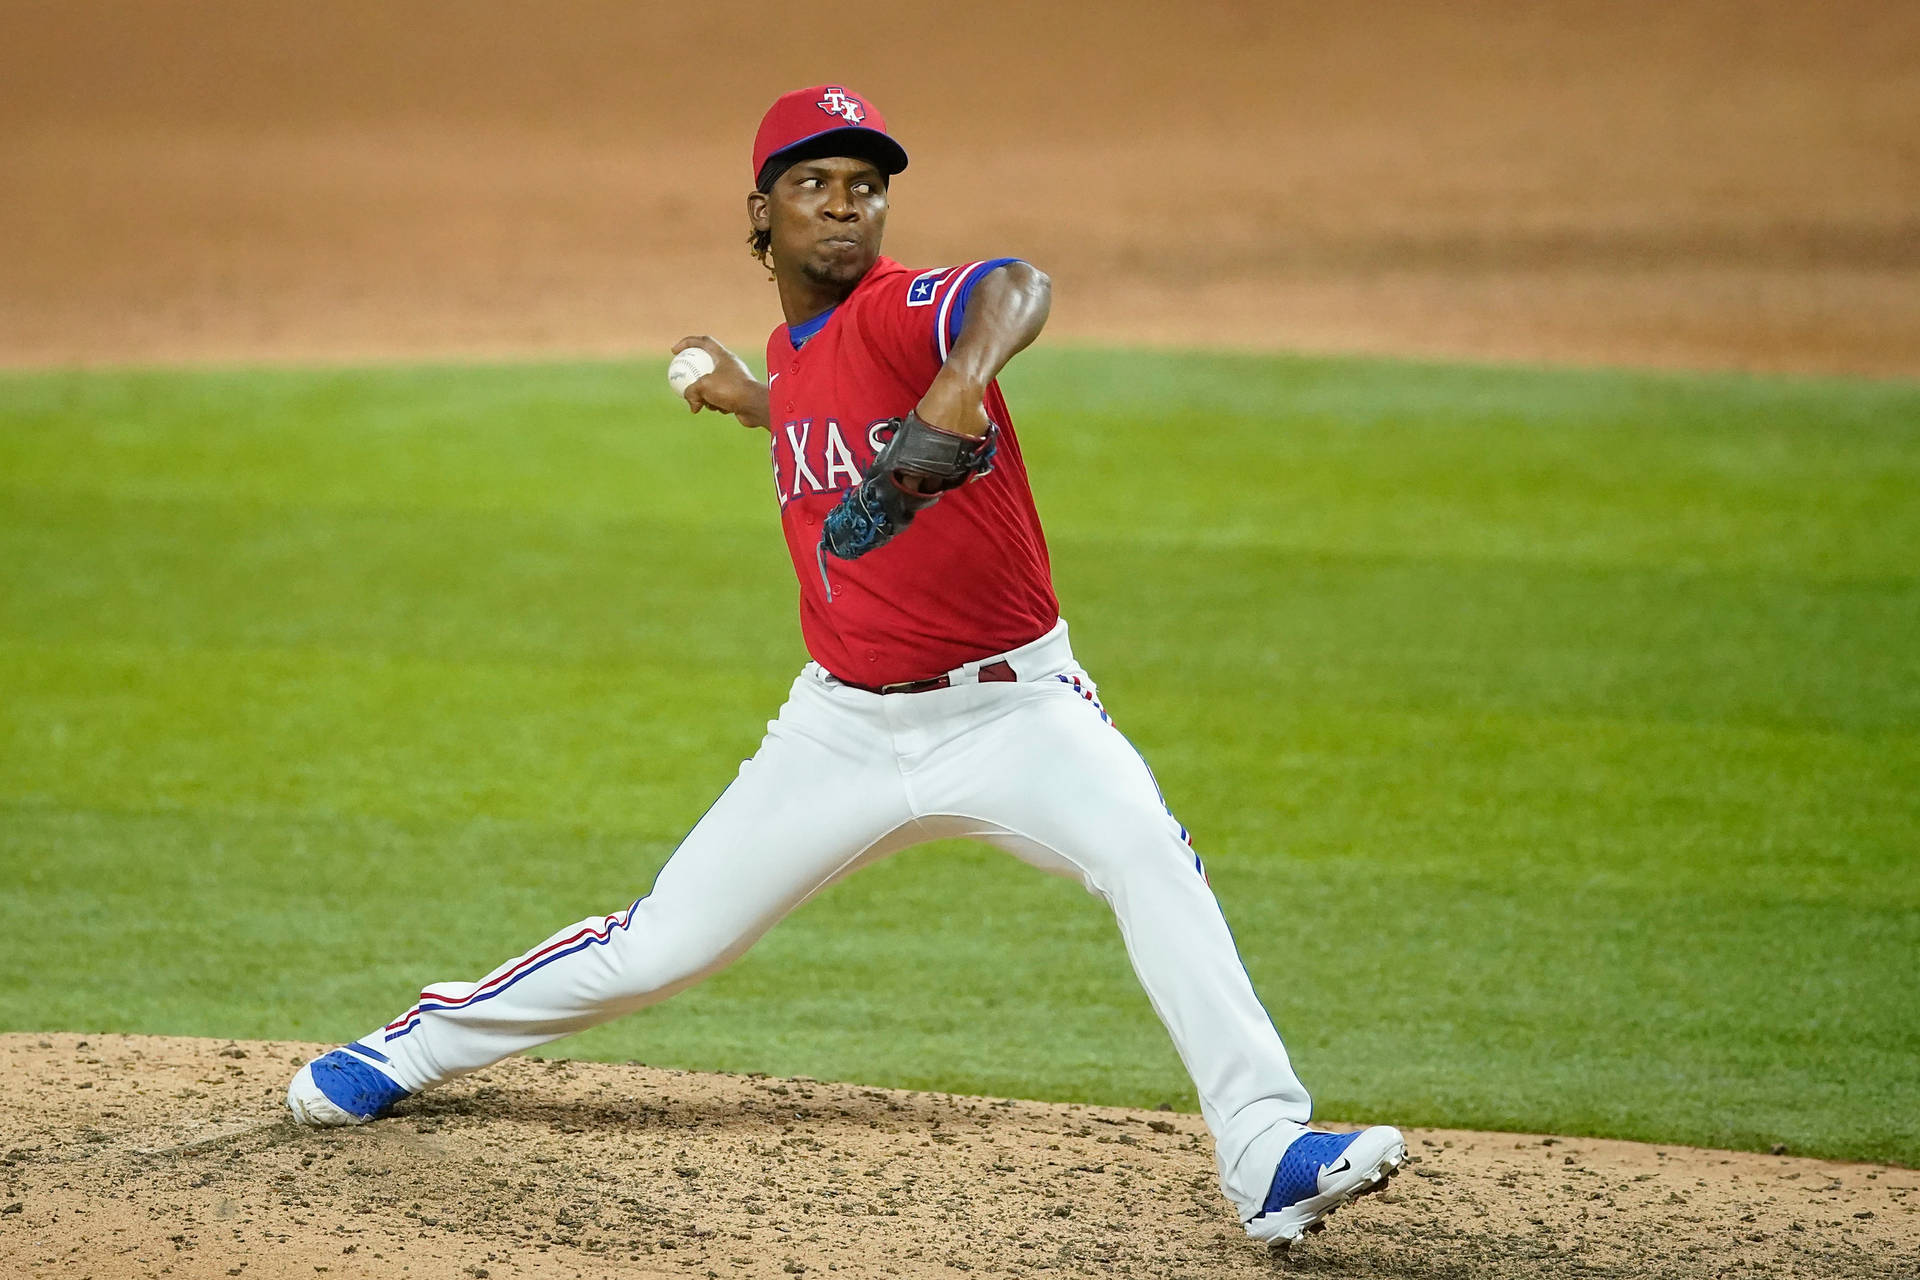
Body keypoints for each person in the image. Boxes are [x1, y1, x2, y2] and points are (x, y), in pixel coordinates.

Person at [285, 84, 1405, 1247]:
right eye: (813, 184)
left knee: (1146, 854)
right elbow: (825, 405)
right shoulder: (796, 344)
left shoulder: (898, 310)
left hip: (1015, 713)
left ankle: (1267, 1146)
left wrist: (963, 381)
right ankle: (409, 1045)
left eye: (865, 187)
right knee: (663, 948)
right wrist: (750, 398)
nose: (845, 206)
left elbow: (1015, 283)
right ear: (759, 214)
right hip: (837, 733)